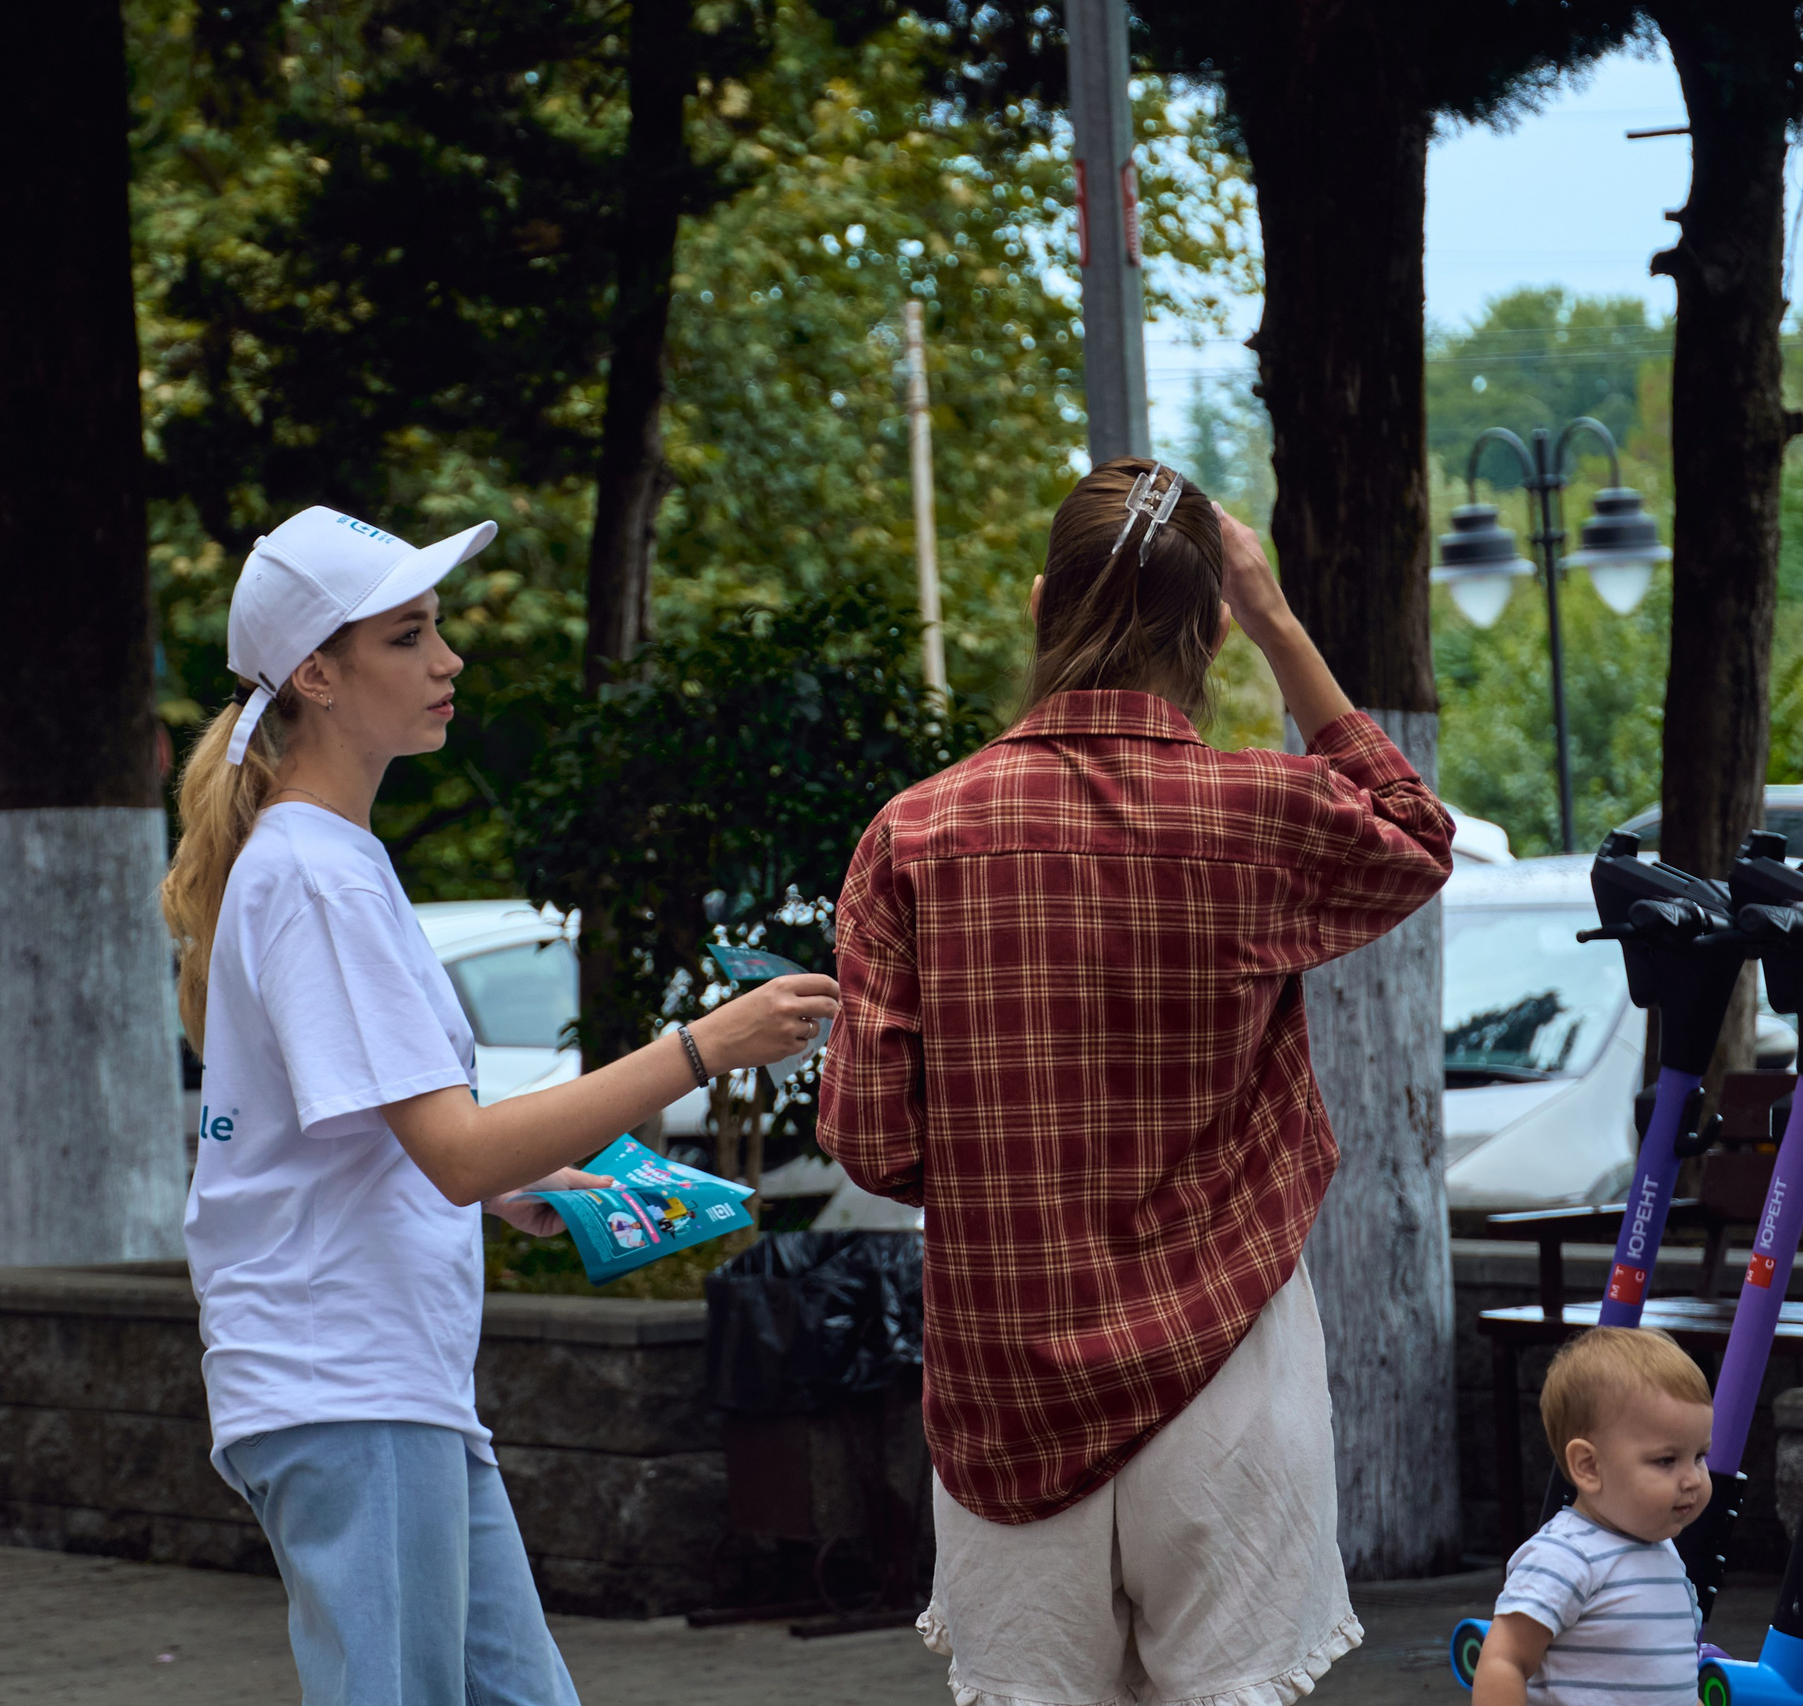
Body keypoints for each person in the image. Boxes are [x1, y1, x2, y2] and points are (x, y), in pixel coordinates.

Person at [160, 505, 837, 1706]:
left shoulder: (326, 858)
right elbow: (454, 1151)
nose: (448, 658)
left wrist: (517, 1180)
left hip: (380, 1383)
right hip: (349, 1381)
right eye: (407, 635)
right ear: (316, 674)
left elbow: (392, 1140)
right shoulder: (315, 871)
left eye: (437, 628)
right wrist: (704, 1046)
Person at [819, 459, 1455, 1706]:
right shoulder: (1258, 814)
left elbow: (872, 1141)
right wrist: (1278, 620)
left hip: (1006, 1385)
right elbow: (1414, 831)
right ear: (1212, 625)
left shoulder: (915, 834)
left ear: (1041, 602)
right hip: (1229, 1360)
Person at [1474, 1328, 1711, 1706]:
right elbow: (1504, 1660)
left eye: (1699, 1456)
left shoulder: (1664, 1554)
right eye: (1667, 1460)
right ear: (1588, 1466)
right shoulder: (1565, 1556)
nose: (1693, 1479)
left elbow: (1671, 1680)